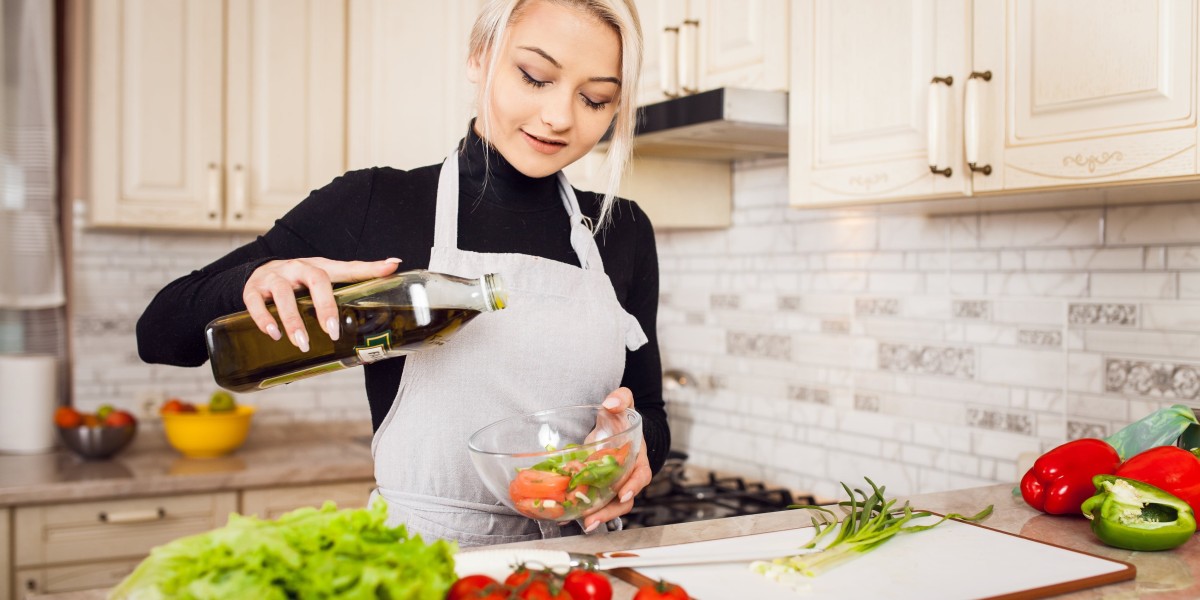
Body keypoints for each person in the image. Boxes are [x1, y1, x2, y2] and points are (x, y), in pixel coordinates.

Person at [136, 0, 668, 547]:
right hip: (421, 562)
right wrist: (255, 277)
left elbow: (649, 411)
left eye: (594, 98)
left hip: (578, 560)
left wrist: (629, 450)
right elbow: (158, 333)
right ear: (479, 58)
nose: (560, 116)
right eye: (534, 77)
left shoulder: (621, 229)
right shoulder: (373, 204)